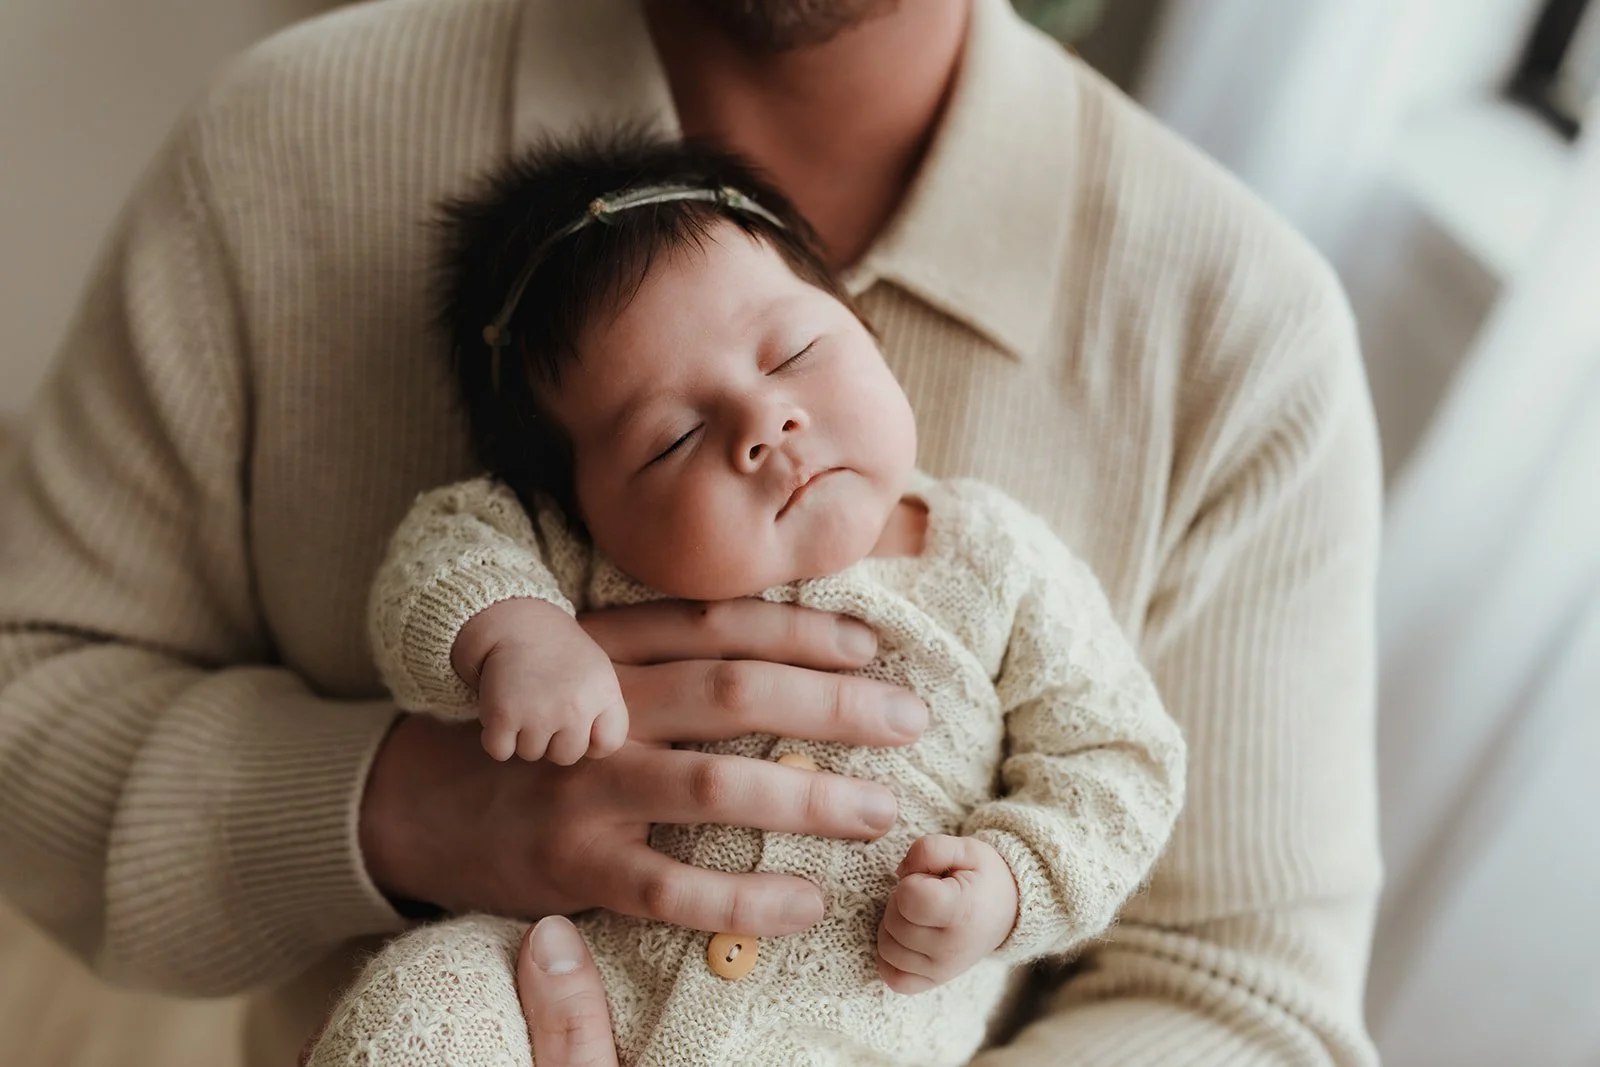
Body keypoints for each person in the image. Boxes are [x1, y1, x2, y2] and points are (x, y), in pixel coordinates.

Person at [0, 1, 1384, 1064]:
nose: (766, 434)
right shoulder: (292, 134)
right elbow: (30, 692)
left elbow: (1244, 999)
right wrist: (407, 804)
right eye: (664, 435)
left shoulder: (1243, 337)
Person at [303, 131, 1185, 1065]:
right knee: (424, 995)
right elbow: (446, 540)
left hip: (846, 1042)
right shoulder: (587, 560)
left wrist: (1014, 883)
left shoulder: (997, 559)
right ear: (584, 502)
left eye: (796, 351)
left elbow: (1119, 755)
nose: (765, 422)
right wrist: (510, 634)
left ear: (865, 325)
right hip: (564, 986)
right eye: (672, 440)